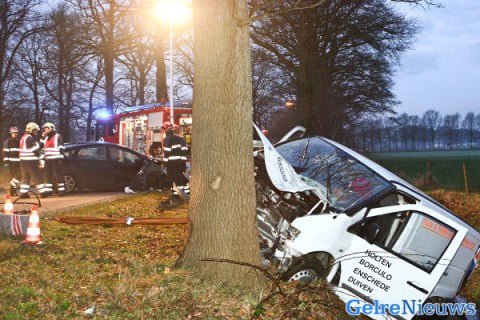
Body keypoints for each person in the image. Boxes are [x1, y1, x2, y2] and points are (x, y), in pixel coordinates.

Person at [161, 122, 189, 207]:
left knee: (173, 179)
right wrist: (183, 162)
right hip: (181, 163)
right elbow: (185, 150)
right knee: (181, 179)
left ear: (166, 129)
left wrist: (164, 163)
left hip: (172, 163)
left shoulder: (167, 139)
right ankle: (185, 194)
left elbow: (167, 153)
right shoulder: (181, 139)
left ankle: (176, 195)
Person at [19, 122, 47, 198]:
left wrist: (42, 138)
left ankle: (23, 193)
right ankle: (42, 192)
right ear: (31, 130)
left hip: (23, 161)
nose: (36, 132)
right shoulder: (30, 138)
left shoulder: (24, 137)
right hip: (30, 161)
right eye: (35, 131)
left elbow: (37, 146)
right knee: (37, 176)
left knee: (25, 177)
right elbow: (36, 150)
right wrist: (40, 160)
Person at [41, 122, 66, 195]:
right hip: (48, 159)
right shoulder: (45, 138)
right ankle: (49, 190)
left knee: (58, 175)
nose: (45, 130)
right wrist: (42, 137)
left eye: (46, 129)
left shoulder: (58, 136)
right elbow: (41, 147)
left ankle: (61, 190)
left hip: (56, 159)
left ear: (51, 128)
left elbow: (61, 148)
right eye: (44, 129)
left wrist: (60, 159)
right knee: (48, 175)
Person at [2, 126, 21, 196]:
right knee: (11, 177)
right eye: (13, 133)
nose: (15, 134)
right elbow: (5, 152)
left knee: (18, 176)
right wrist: (6, 163)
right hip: (10, 163)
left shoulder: (19, 141)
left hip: (18, 163)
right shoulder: (8, 141)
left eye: (16, 133)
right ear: (11, 133)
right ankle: (12, 191)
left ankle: (11, 189)